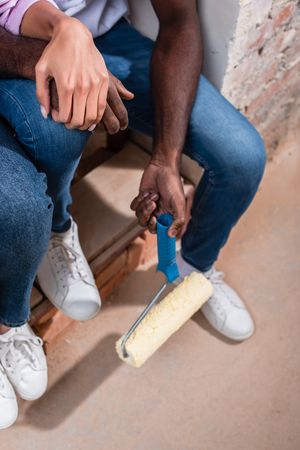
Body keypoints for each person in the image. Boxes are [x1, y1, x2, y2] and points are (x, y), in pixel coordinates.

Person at [0, 0, 266, 429]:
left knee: (243, 157)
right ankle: (56, 227)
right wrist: (69, 64)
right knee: (56, 126)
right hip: (24, 45)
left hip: (106, 39)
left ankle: (192, 269)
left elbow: (180, 21)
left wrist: (166, 158)